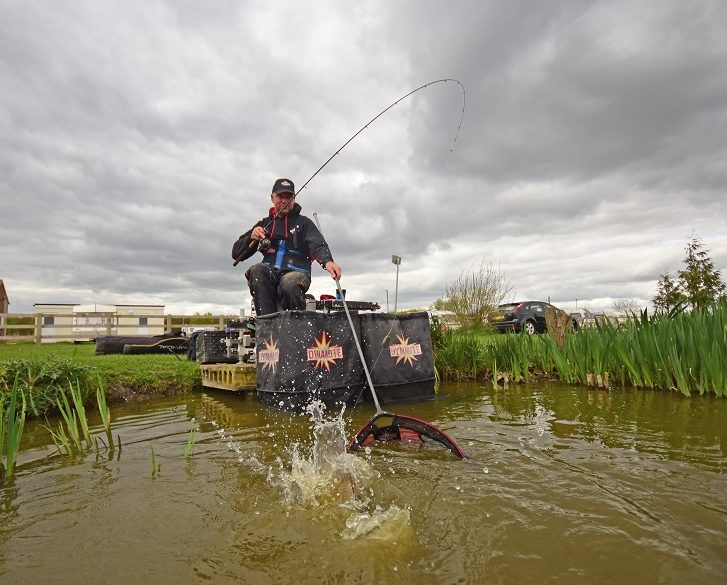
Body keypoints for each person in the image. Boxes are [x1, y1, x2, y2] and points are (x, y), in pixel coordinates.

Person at [231, 178, 342, 316]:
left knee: (289, 284)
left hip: (297, 273)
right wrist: (251, 238)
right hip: (269, 270)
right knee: (257, 270)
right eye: (280, 196)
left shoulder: (304, 223)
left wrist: (328, 261)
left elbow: (318, 244)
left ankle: (297, 327)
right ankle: (267, 325)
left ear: (294, 198)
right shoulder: (264, 224)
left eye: (288, 197)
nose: (284, 201)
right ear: (272, 197)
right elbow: (236, 253)